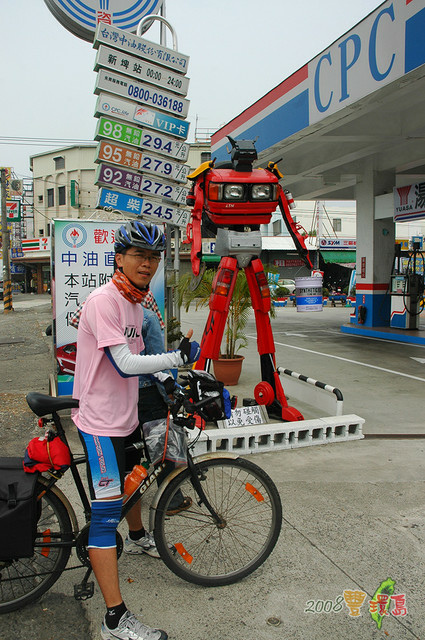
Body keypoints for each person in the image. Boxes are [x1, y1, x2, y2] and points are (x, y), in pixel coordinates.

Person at [72, 220, 200, 640]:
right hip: (98, 423)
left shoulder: (136, 304)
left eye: (154, 257)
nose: (147, 264)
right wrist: (174, 359)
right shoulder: (104, 302)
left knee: (133, 485)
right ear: (119, 258)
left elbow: (142, 356)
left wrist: (170, 383)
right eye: (139, 255)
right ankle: (114, 620)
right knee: (106, 517)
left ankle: (139, 535)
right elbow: (124, 363)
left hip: (123, 417)